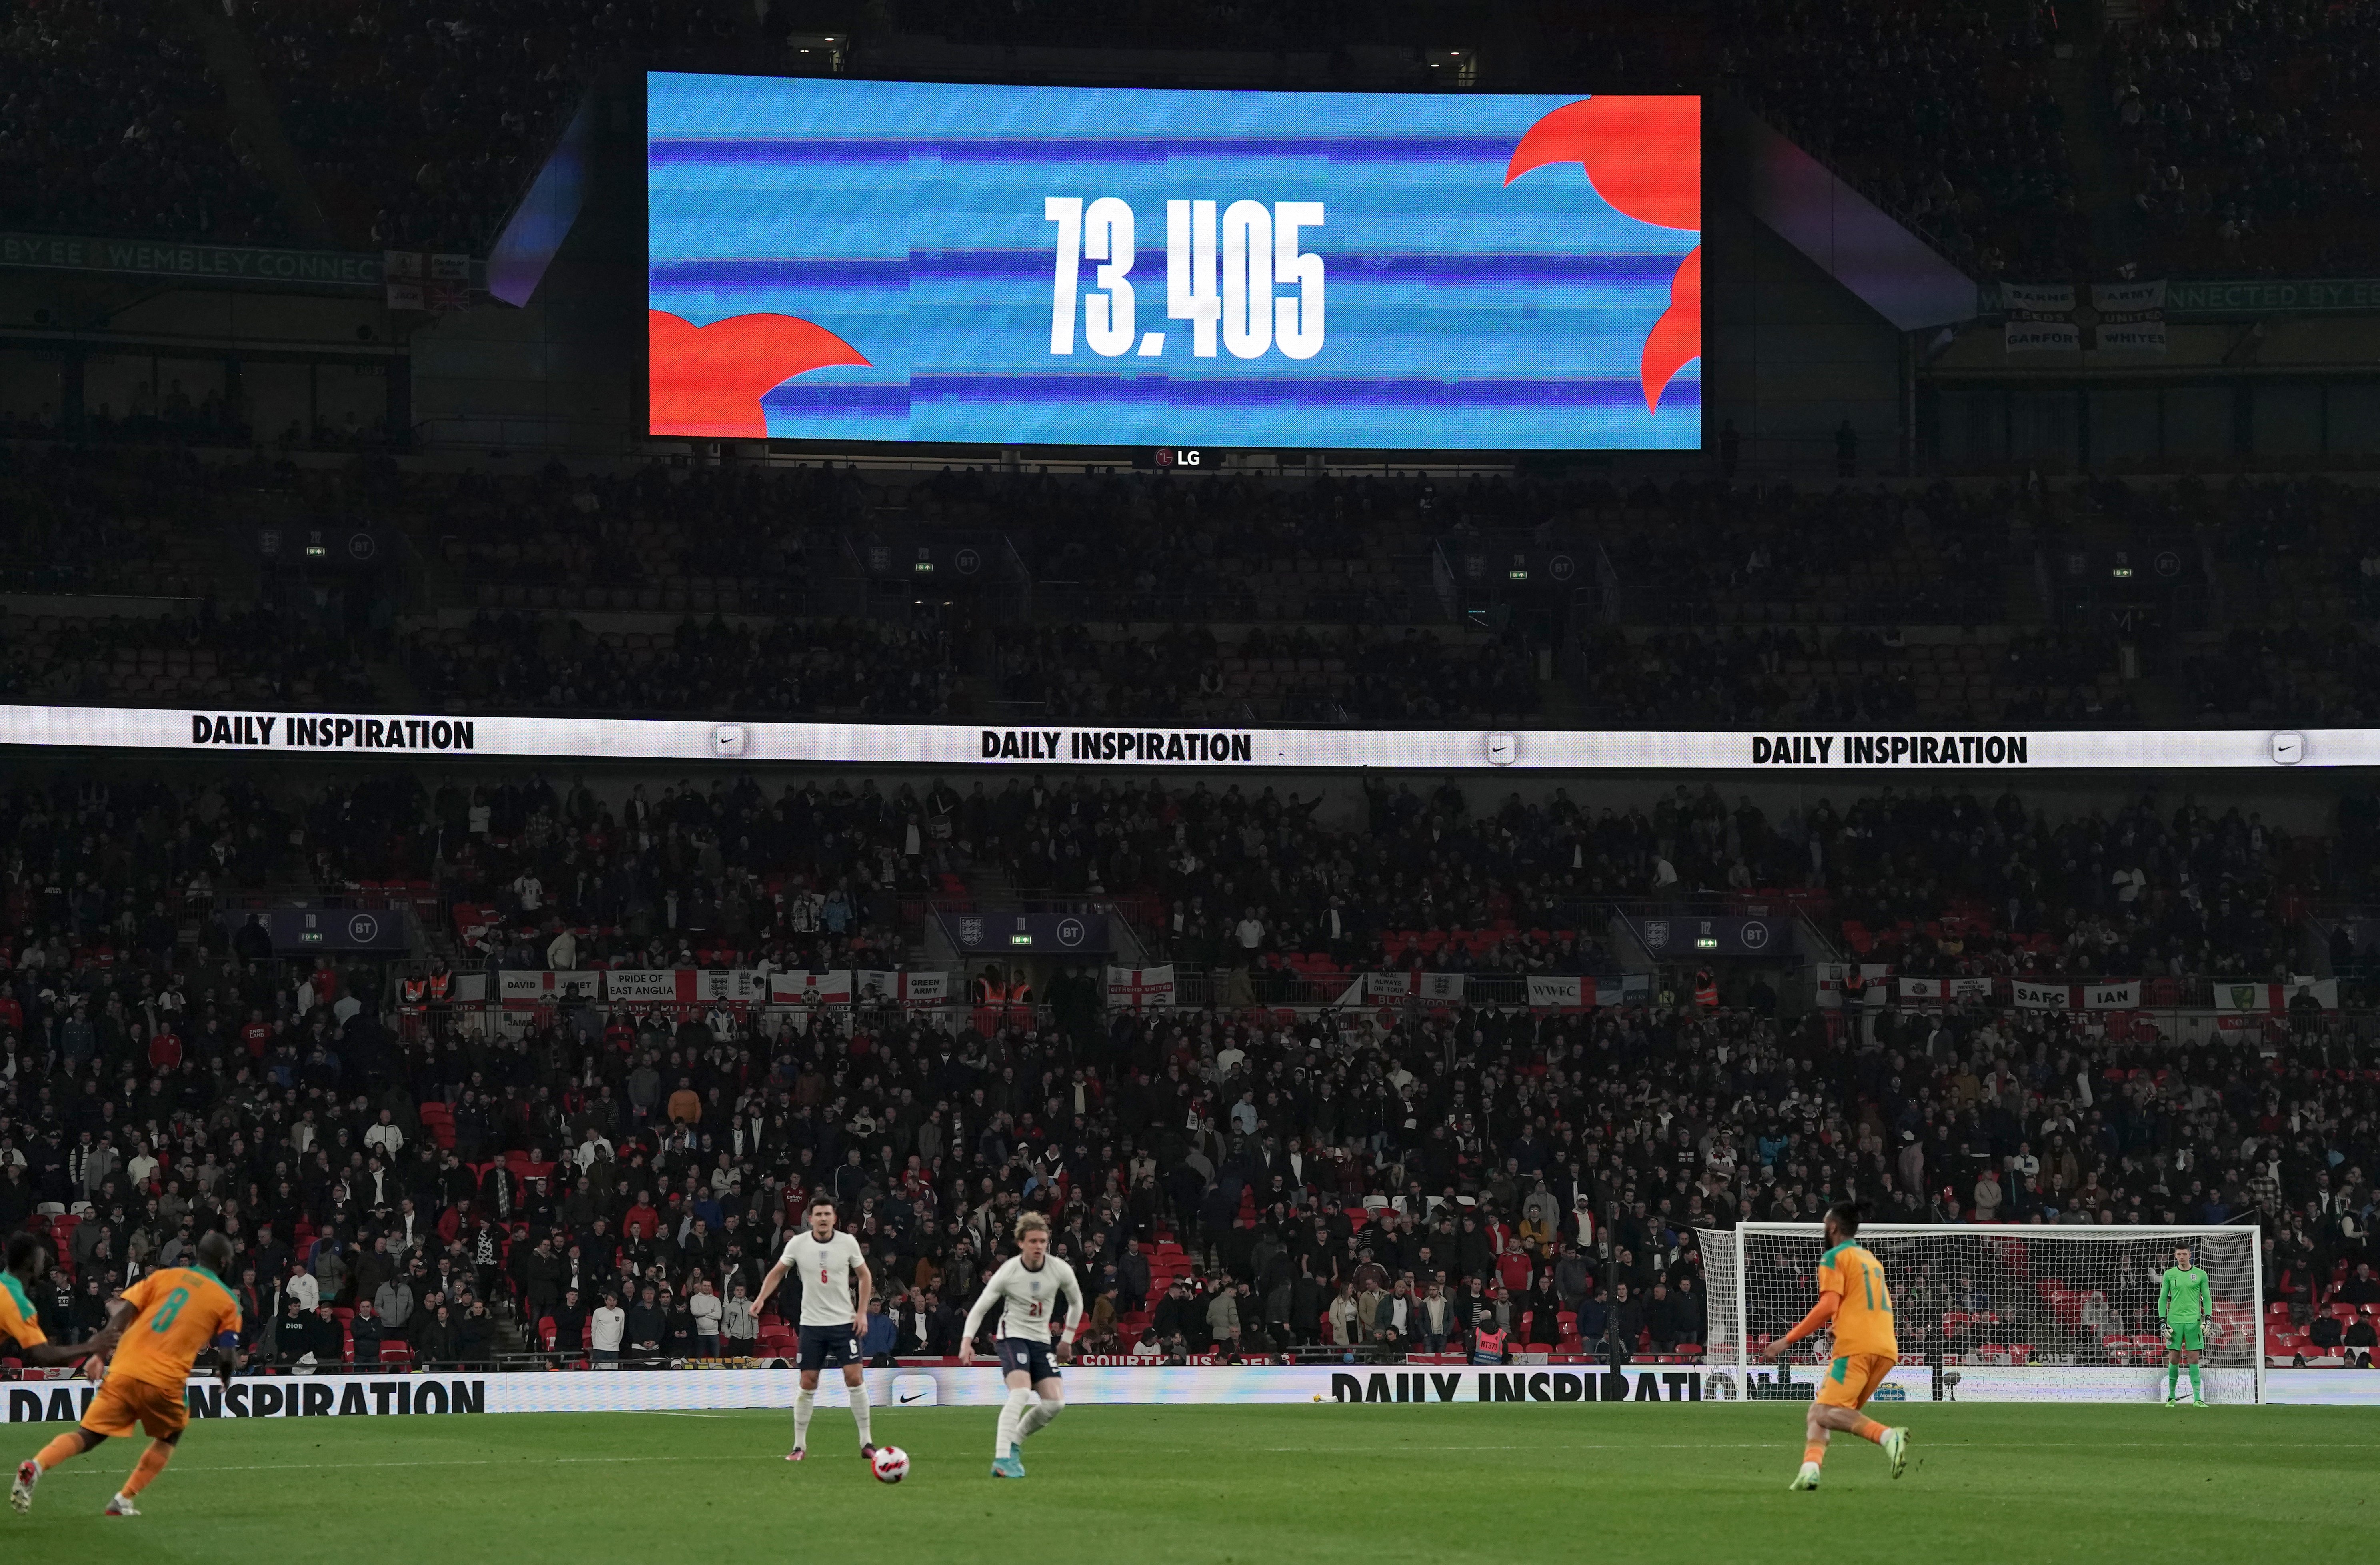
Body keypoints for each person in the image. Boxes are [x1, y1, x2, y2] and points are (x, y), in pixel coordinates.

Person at [14, 1230, 241, 1518]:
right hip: (164, 1379)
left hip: (124, 1367)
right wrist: (225, 1375)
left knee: (89, 1434)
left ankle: (36, 1465)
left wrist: (98, 1356)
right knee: (171, 1433)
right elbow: (227, 1352)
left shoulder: (163, 1277)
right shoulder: (226, 1301)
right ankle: (123, 1499)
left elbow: (121, 1315)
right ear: (224, 1262)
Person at [1761, 1202, 1909, 1491]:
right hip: (1884, 1347)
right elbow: (1867, 1302)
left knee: (1827, 1413)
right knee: (1819, 1411)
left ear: (1832, 1227)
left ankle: (1887, 1436)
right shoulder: (1869, 1259)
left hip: (1856, 1347)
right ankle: (1810, 1469)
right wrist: (1838, 1325)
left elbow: (1827, 1304)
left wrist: (1786, 1340)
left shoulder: (1833, 1257)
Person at [961, 1211, 1083, 1480]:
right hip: (1012, 1336)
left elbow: (1076, 1302)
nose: (1039, 1246)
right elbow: (981, 1307)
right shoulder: (1010, 1271)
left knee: (1055, 1404)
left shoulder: (1059, 1269)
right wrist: (967, 1340)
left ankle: (1014, 1442)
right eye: (1033, 1241)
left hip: (1040, 1340)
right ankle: (1002, 1458)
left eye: (1043, 1240)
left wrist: (1067, 1339)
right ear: (1021, 1243)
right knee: (1020, 1393)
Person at [753, 1195, 875, 1463]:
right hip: (812, 1324)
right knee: (808, 1382)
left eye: (827, 1214)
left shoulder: (847, 1242)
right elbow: (776, 1272)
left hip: (844, 1322)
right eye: (817, 1214)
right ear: (810, 1218)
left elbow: (865, 1275)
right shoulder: (798, 1244)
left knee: (855, 1378)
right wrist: (762, 1298)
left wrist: (862, 1312)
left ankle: (867, 1442)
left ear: (834, 1218)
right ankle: (799, 1446)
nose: (822, 1218)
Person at [0, 1232, 122, 1376]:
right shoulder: (16, 1301)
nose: (46, 1263)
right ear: (30, 1263)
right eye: (43, 1259)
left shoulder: (6, 1286)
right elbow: (43, 1354)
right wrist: (93, 1346)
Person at [2158, 1244, 2213, 1407]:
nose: (2181, 1257)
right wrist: (2163, 1321)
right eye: (2178, 1254)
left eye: (2184, 1254)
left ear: (2190, 1255)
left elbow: (2207, 1298)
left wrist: (2208, 1319)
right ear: (2175, 1256)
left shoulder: (2201, 1275)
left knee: (2194, 1359)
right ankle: (2172, 1397)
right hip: (2174, 1322)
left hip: (2193, 1322)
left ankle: (2197, 1398)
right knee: (2173, 1358)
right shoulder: (2169, 1274)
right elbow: (2162, 1299)